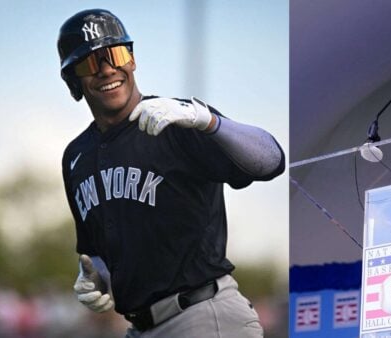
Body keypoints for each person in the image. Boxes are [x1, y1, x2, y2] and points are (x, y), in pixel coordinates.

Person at [58, 9, 284, 337]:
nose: (107, 69)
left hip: (202, 314)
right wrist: (96, 275)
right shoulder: (75, 157)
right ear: (73, 79)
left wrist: (208, 122)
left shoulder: (176, 119)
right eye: (90, 63)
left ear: (131, 59)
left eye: (115, 53)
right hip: (139, 327)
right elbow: (97, 250)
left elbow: (272, 161)